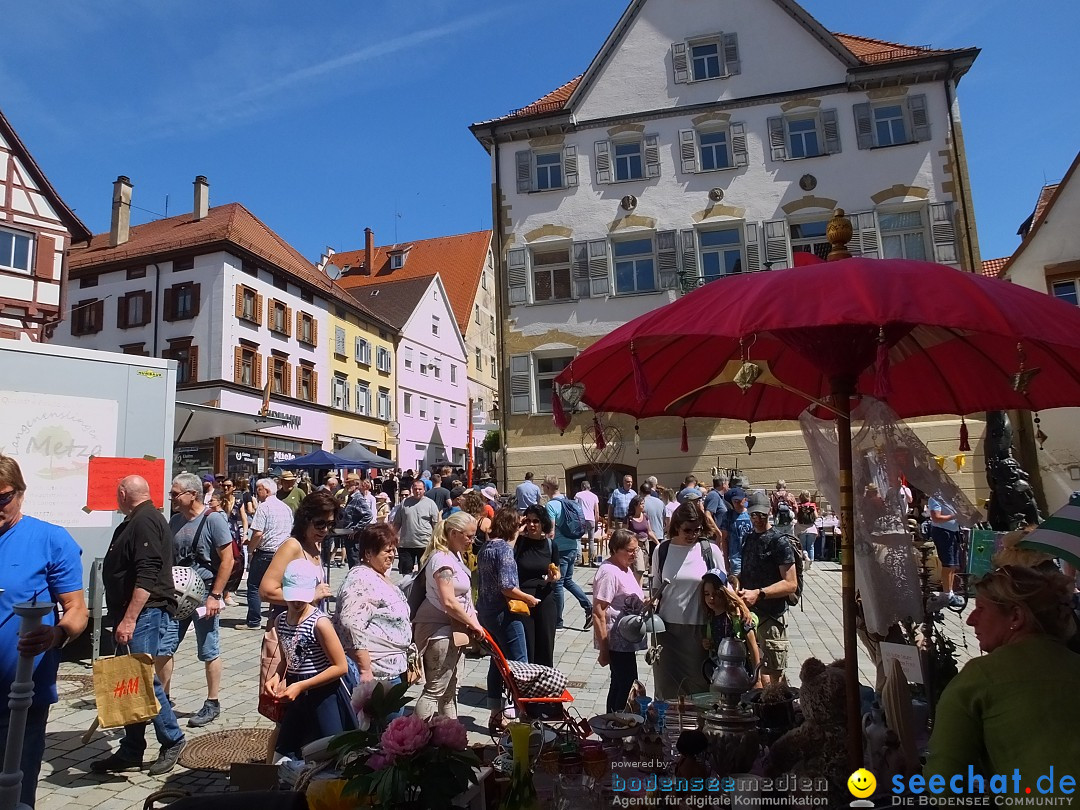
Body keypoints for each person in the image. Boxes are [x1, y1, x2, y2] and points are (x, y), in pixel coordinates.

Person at [925, 565, 1080, 789]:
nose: (970, 620)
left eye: (981, 608)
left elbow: (943, 779)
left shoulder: (980, 677)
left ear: (1016, 616)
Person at [0, 456, 87, 802]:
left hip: (19, 695)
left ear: (21, 494)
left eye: (3, 497)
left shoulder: (50, 539)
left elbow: (77, 610)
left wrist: (57, 634)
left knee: (14, 792)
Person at [92, 475, 185, 777]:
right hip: (134, 614)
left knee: (143, 681)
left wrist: (130, 618)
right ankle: (132, 749)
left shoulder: (145, 520)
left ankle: (172, 739)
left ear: (122, 493)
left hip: (143, 613)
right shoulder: (140, 519)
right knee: (130, 682)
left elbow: (147, 574)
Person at [161, 472, 234, 728]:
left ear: (192, 494)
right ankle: (164, 700)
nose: (171, 498)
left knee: (208, 648)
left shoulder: (213, 520)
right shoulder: (174, 522)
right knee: (165, 646)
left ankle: (212, 701)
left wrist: (216, 595)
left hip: (204, 593)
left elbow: (228, 560)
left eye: (175, 493)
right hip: (177, 594)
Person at [268, 559, 352, 758]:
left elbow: (340, 667)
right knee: (285, 750)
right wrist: (276, 676)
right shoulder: (281, 621)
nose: (297, 602)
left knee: (330, 751)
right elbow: (285, 659)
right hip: (296, 695)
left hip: (323, 693)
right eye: (292, 597)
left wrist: (302, 686)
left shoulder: (319, 623)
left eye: (302, 597)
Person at [412, 512, 485, 720]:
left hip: (455, 628)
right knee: (435, 690)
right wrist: (474, 624)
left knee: (450, 691)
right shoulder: (442, 559)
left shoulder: (454, 555)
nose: (473, 541)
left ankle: (451, 739)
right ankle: (414, 738)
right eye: (469, 536)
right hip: (439, 628)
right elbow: (449, 601)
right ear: (454, 533)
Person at [650, 502, 725, 699]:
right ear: (676, 526)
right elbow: (657, 585)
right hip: (665, 632)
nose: (692, 534)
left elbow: (725, 588)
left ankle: (697, 730)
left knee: (699, 688)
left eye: (697, 529)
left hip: (698, 630)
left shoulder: (710, 551)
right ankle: (667, 729)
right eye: (687, 530)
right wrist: (651, 601)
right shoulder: (662, 550)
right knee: (666, 690)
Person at [477, 508, 536, 732]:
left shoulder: (487, 547)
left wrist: (517, 533)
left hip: (486, 612)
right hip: (504, 613)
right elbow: (507, 586)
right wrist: (529, 598)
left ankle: (495, 715)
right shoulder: (504, 550)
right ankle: (525, 715)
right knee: (520, 663)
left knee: (497, 662)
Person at [335, 524, 412, 686]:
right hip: (377, 673)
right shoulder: (361, 579)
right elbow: (350, 624)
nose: (392, 555)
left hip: (391, 669)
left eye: (393, 550)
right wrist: (365, 668)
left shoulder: (378, 574)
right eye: (387, 551)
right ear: (368, 553)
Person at [737, 493, 798, 685]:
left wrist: (760, 593)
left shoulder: (779, 541)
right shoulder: (748, 539)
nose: (758, 519)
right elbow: (747, 572)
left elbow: (790, 583)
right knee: (753, 671)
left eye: (762, 515)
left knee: (773, 674)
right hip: (749, 615)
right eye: (754, 515)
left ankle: (776, 709)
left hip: (772, 617)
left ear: (769, 513)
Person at [260, 492, 337, 622]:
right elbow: (266, 592)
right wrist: (310, 596)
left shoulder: (315, 545)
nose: (325, 530)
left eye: (330, 524)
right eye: (320, 524)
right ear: (305, 520)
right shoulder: (292, 546)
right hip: (289, 630)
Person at [593, 529, 647, 714]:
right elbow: (599, 611)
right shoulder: (609, 572)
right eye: (630, 550)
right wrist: (604, 649)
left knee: (620, 684)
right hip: (616, 641)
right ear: (616, 549)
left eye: (636, 550)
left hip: (626, 640)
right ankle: (619, 724)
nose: (634, 554)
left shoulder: (625, 568)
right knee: (627, 685)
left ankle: (613, 725)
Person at [243, 477, 294, 630]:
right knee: (277, 586)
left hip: (265, 552)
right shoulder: (285, 508)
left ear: (266, 490)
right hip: (283, 553)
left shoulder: (264, 507)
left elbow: (258, 533)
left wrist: (250, 549)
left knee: (253, 585)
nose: (257, 493)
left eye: (258, 489)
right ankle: (277, 618)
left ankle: (253, 620)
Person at [543, 476, 593, 631]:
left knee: (558, 583)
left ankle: (558, 621)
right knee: (568, 581)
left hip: (560, 549)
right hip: (572, 546)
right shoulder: (568, 501)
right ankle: (588, 607)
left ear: (548, 488)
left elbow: (550, 532)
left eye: (544, 486)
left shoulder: (551, 505)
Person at [515, 505, 561, 666]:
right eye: (528, 520)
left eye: (536, 521)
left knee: (546, 643)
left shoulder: (550, 545)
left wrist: (553, 577)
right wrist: (517, 530)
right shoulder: (518, 543)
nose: (532, 525)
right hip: (522, 599)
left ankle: (544, 681)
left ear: (543, 523)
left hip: (545, 596)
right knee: (527, 643)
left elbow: (558, 570)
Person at [701, 569, 761, 685]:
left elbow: (753, 648)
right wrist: (708, 643)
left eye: (716, 594)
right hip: (719, 673)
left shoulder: (739, 617)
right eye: (707, 594)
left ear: (724, 593)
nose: (711, 598)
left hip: (742, 673)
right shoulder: (710, 618)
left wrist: (757, 678)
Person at [394, 479, 441, 575]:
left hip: (424, 544)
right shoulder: (404, 503)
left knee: (424, 573)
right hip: (406, 544)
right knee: (406, 572)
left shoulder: (430, 504)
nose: (417, 491)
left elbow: (436, 524)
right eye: (415, 489)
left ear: (424, 490)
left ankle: (422, 590)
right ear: (412, 489)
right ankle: (407, 590)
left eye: (420, 489)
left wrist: (437, 541)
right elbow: (397, 522)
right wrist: (392, 537)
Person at [928, 493, 964, 609]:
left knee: (953, 564)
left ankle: (950, 592)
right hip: (943, 532)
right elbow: (936, 518)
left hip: (952, 532)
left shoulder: (948, 498)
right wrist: (954, 516)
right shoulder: (935, 498)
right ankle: (947, 595)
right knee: (948, 564)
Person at [220, 478, 248, 605]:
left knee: (235, 563)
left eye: (228, 486)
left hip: (234, 534)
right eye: (224, 486)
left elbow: (244, 519)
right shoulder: (218, 500)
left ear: (234, 488)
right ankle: (223, 593)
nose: (226, 488)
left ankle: (228, 592)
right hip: (221, 533)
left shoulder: (238, 501)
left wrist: (245, 533)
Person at [340, 473, 374, 568]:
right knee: (353, 563)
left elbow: (368, 515)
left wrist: (355, 529)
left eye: (350, 484)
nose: (347, 486)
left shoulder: (358, 498)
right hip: (349, 536)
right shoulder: (351, 497)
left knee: (356, 565)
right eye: (347, 484)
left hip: (355, 539)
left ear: (356, 485)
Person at [721, 487, 752, 577]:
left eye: (739, 500)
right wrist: (726, 562)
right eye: (735, 501)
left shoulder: (751, 514)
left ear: (745, 499)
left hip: (751, 557)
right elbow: (724, 539)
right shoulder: (728, 516)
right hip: (735, 559)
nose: (737, 503)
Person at [627, 495, 657, 579]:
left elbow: (650, 532)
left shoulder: (645, 517)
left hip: (645, 545)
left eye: (644, 504)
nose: (643, 506)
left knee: (642, 569)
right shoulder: (630, 518)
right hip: (635, 546)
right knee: (639, 569)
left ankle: (635, 586)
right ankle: (637, 588)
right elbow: (625, 533)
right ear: (635, 505)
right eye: (641, 504)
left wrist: (658, 543)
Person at [575, 480, 602, 566]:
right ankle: (591, 560)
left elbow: (575, 507)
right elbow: (597, 511)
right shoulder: (594, 496)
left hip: (581, 519)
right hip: (591, 519)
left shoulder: (578, 495)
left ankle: (579, 559)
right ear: (589, 487)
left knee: (578, 539)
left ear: (582, 487)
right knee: (591, 540)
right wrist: (596, 522)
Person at [793, 491, 819, 570]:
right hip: (811, 529)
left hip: (801, 529)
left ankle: (805, 558)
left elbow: (796, 516)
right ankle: (811, 564)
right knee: (811, 547)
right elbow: (816, 516)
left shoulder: (799, 506)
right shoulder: (812, 506)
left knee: (803, 546)